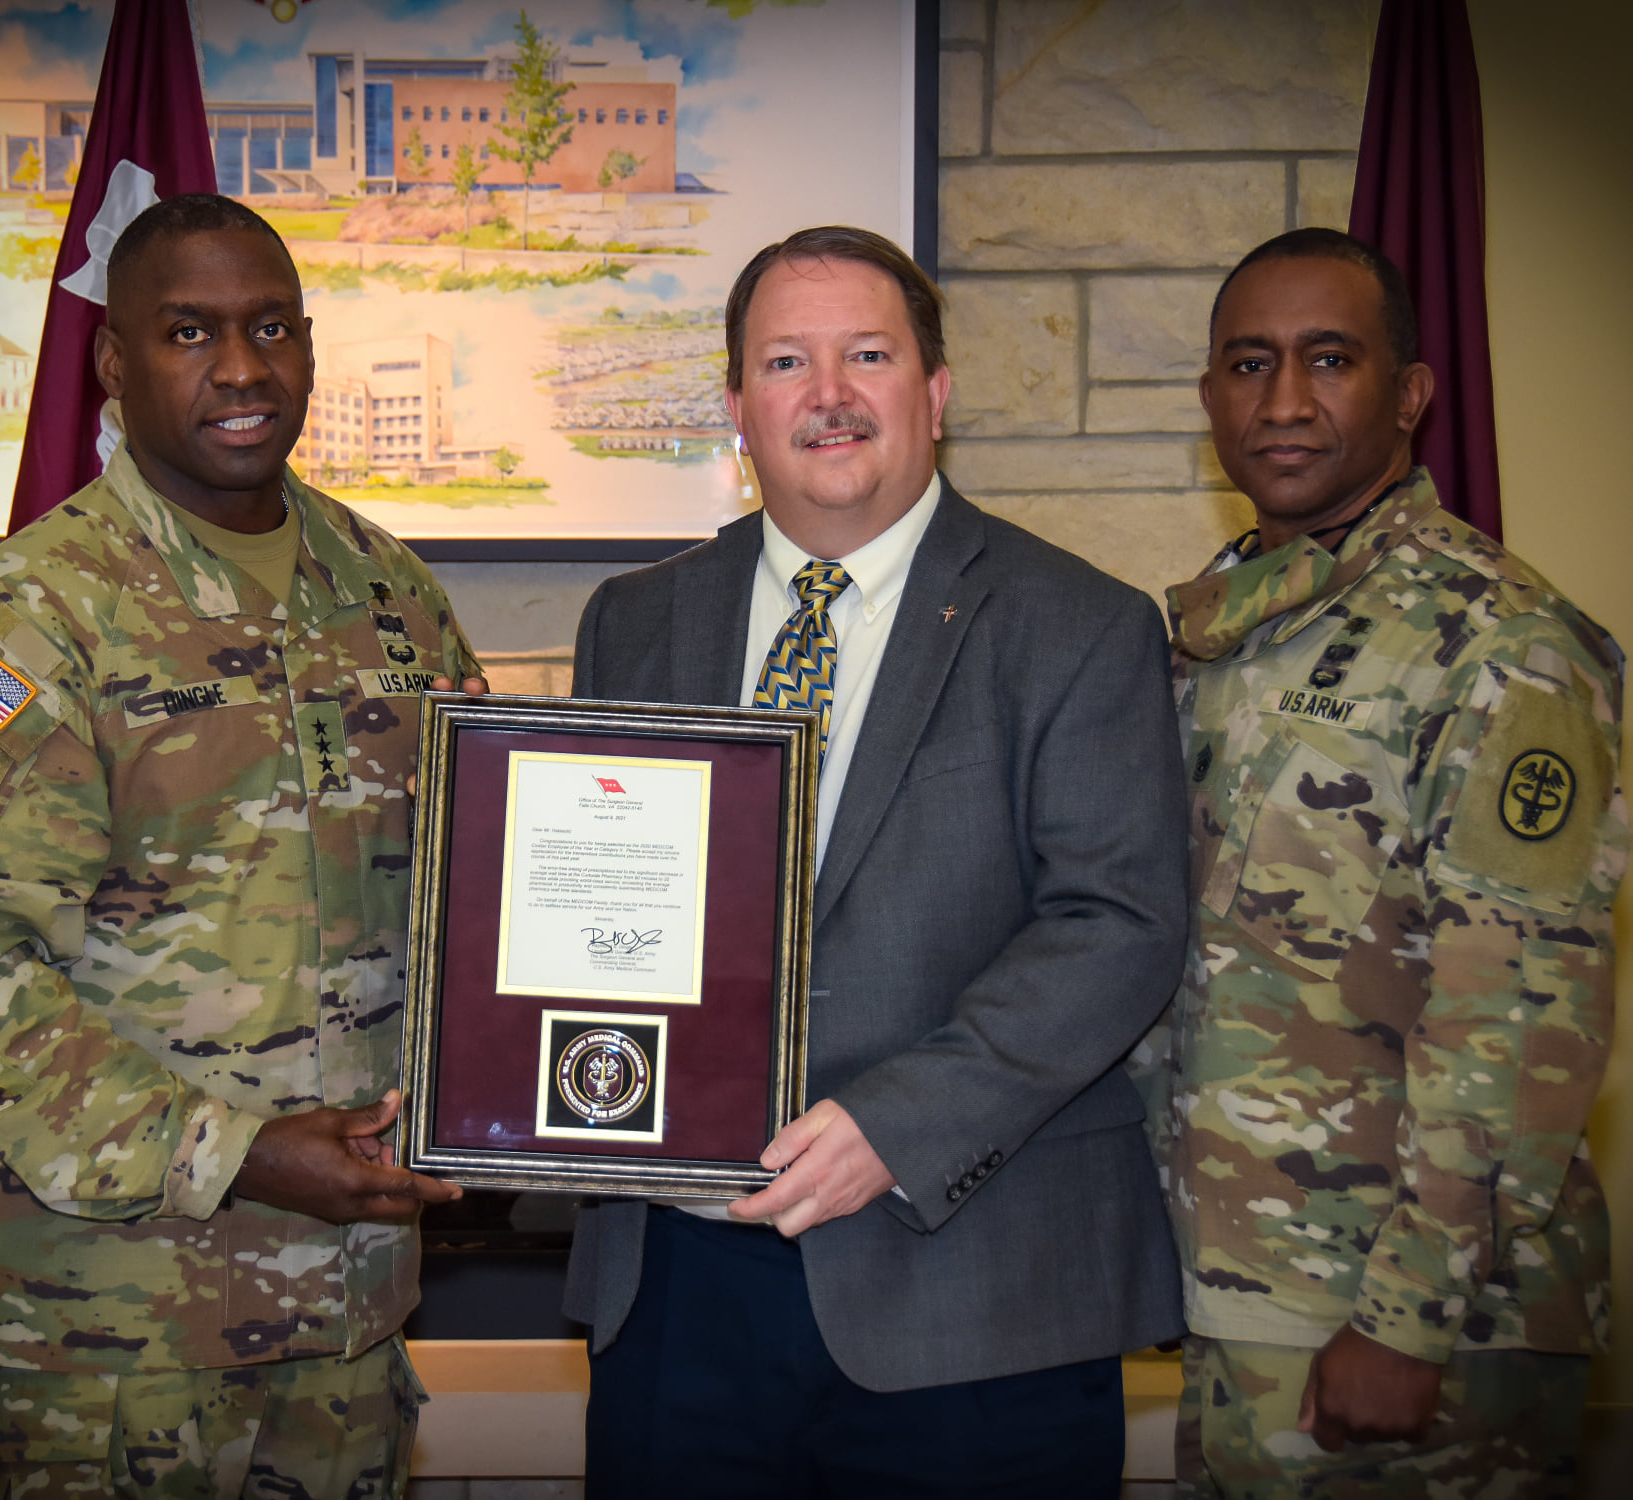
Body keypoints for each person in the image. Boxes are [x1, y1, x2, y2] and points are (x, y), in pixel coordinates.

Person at [566, 225, 1189, 1498]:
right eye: (786, 361)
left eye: (868, 354)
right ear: (738, 406)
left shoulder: (1079, 623)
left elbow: (1115, 923)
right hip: (678, 1289)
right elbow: (591, 905)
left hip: (970, 1290)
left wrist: (892, 1127)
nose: (829, 394)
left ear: (935, 391)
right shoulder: (634, 620)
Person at [0, 194, 484, 1498]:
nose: (242, 368)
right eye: (190, 330)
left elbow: (482, 898)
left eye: (271, 328)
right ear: (113, 361)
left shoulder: (398, 602)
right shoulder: (19, 626)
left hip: (344, 1322)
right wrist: (247, 1152)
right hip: (102, 1338)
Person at [1150, 226, 1625, 1497]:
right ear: (1209, 399)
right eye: (1249, 363)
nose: (1285, 400)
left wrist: (1409, 1318)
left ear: (1408, 393)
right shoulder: (1228, 628)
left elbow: (1515, 1012)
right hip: (1245, 1286)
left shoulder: (1500, 644)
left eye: (1330, 360)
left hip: (1410, 1329)